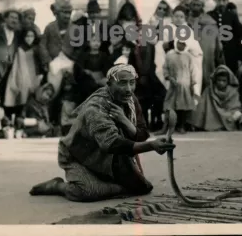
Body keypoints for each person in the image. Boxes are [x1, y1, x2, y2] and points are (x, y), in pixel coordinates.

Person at [29, 64, 175, 202]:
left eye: (132, 83)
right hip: (79, 156)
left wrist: (125, 121)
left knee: (143, 188)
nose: (129, 89)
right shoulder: (96, 107)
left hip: (110, 156)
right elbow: (111, 143)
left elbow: (142, 134)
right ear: (109, 84)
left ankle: (105, 180)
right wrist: (151, 146)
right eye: (123, 83)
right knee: (87, 192)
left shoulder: (130, 99)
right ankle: (58, 186)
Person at [158, 39, 200, 135]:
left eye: (184, 44)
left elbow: (193, 71)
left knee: (183, 106)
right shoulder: (170, 55)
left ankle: (181, 126)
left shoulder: (188, 56)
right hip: (174, 86)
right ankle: (165, 128)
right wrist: (169, 77)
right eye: (179, 43)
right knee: (169, 106)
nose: (182, 45)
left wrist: (193, 85)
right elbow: (165, 69)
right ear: (176, 43)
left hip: (185, 86)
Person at [186, 0, 225, 90]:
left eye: (198, 5)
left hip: (206, 55)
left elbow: (216, 41)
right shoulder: (185, 21)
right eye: (193, 4)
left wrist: (218, 50)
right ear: (190, 6)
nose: (195, 7)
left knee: (206, 78)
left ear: (202, 6)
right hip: (190, 55)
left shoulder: (210, 22)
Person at [188, 65, 242, 132]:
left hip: (227, 113)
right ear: (215, 80)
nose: (221, 83)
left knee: (236, 115)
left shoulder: (233, 92)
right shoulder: (209, 90)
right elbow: (201, 106)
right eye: (219, 80)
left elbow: (235, 106)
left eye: (224, 81)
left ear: (228, 81)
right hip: (212, 114)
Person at [3, 28, 42, 122]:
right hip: (22, 76)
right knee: (21, 100)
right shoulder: (20, 49)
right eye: (27, 36)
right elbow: (16, 65)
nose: (29, 38)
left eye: (31, 36)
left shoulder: (36, 50)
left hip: (34, 78)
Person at [207, 0, 242, 72]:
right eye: (219, 0)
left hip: (230, 53)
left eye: (224, 0)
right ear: (215, 0)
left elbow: (239, 36)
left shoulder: (232, 16)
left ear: (227, 1)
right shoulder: (209, 15)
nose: (221, 3)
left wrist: (240, 56)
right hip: (214, 53)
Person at [39, 0, 74, 70]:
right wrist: (48, 61)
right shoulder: (49, 27)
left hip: (70, 63)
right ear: (57, 13)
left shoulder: (75, 28)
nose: (67, 16)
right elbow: (42, 45)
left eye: (69, 13)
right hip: (52, 63)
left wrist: (73, 61)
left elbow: (79, 47)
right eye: (64, 12)